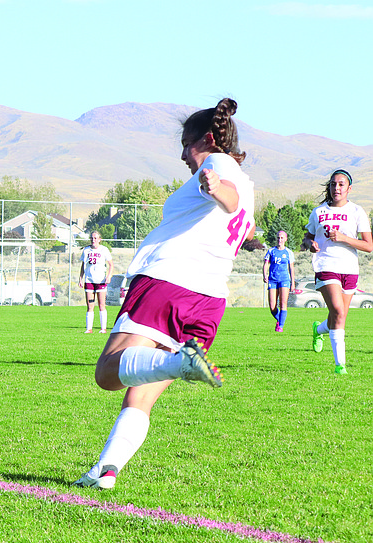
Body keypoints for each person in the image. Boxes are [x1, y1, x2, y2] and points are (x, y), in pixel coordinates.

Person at [73, 98, 255, 489]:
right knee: (140, 396)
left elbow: (227, 197)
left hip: (168, 282)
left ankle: (180, 363)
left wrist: (215, 187)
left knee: (107, 374)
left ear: (207, 139)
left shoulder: (217, 164)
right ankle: (106, 470)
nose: (183, 155)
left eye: (187, 145)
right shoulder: (251, 187)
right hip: (209, 302)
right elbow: (240, 217)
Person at [306, 169, 372, 375]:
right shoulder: (318, 212)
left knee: (339, 317)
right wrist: (311, 244)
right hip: (326, 265)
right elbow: (306, 238)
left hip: (349, 268)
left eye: (341, 184)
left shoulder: (357, 212)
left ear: (349, 188)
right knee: (338, 311)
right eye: (333, 184)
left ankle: (319, 330)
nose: (337, 188)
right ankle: (339, 366)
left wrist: (344, 238)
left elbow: (368, 246)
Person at [79, 231, 114, 333]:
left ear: (99, 239)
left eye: (95, 238)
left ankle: (103, 328)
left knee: (101, 304)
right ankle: (88, 328)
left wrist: (109, 276)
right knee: (90, 305)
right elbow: (83, 265)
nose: (93, 240)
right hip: (89, 280)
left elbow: (111, 264)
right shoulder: (86, 250)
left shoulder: (104, 250)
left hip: (101, 280)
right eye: (92, 238)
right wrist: (80, 278)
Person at [262, 230, 295, 332]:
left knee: (283, 303)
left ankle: (280, 326)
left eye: (281, 238)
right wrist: (264, 274)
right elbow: (266, 264)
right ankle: (280, 320)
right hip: (273, 280)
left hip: (284, 280)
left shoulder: (289, 252)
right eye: (278, 238)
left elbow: (291, 268)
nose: (279, 240)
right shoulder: (271, 251)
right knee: (272, 307)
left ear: (285, 239)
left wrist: (292, 282)